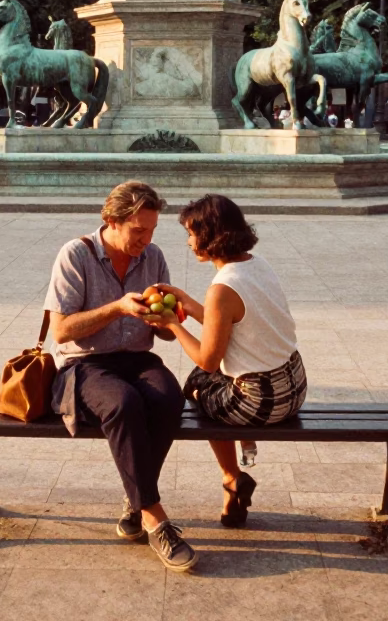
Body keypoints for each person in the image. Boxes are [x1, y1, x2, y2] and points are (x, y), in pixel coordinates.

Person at [44, 180, 195, 572]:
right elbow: (60, 331)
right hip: (84, 364)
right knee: (123, 403)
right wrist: (117, 309)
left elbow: (160, 334)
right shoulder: (75, 254)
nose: (145, 240)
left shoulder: (153, 256)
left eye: (152, 230)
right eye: (138, 231)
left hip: (135, 360)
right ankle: (155, 519)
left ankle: (136, 500)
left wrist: (165, 319)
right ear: (111, 221)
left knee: (168, 398)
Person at [149, 195, 306, 528]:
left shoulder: (222, 288)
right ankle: (239, 458)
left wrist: (174, 324)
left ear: (211, 235)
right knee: (207, 380)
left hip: (263, 401)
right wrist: (186, 302)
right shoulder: (256, 264)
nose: (189, 242)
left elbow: (207, 360)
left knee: (194, 385)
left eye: (192, 233)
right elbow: (233, 320)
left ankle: (231, 478)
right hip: (294, 384)